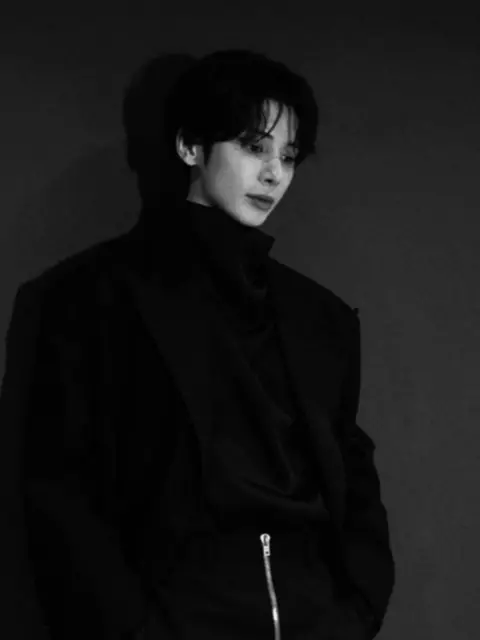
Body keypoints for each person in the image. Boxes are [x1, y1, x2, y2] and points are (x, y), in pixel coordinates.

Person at [0, 49, 395, 639]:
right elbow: (60, 489)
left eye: (288, 156)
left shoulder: (323, 319)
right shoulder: (94, 297)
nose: (274, 174)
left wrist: (357, 610)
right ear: (190, 146)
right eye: (254, 147)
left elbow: (353, 473)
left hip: (318, 620)